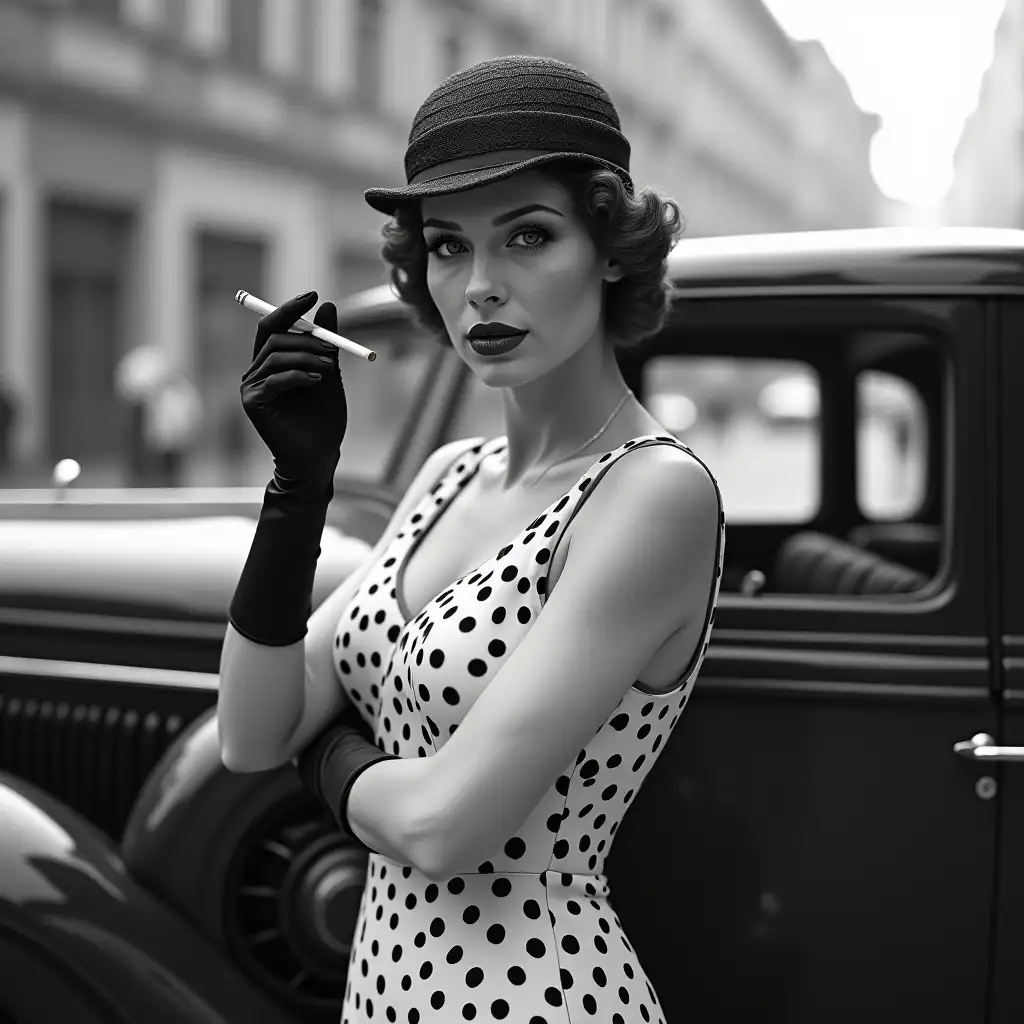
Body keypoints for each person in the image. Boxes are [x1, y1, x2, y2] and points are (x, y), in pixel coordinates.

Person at [218, 55, 726, 1024]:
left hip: (535, 992)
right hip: (386, 985)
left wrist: (323, 758)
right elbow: (249, 733)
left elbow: (445, 826)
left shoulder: (652, 493)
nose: (481, 286)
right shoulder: (448, 473)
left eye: (528, 236)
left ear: (610, 247)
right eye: (448, 246)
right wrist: (298, 489)